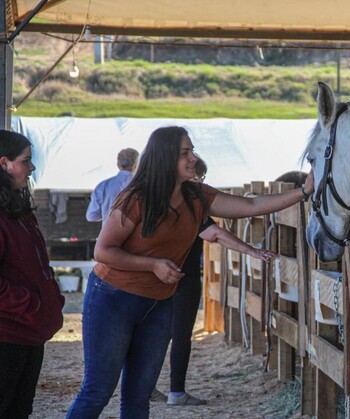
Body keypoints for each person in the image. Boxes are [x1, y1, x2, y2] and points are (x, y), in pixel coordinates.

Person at [66, 126, 313, 419]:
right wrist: (153, 265)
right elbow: (103, 251)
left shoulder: (195, 195)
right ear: (165, 157)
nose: (193, 158)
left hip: (158, 304)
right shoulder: (135, 198)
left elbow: (252, 205)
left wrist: (304, 191)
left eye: (192, 151)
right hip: (113, 299)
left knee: (138, 396)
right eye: (185, 153)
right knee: (97, 391)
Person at [152, 157, 277, 406]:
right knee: (180, 334)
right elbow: (216, 234)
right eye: (199, 178)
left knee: (156, 333)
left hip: (154, 276)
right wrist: (252, 250)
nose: (201, 184)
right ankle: (176, 391)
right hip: (182, 277)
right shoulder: (189, 205)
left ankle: (145, 385)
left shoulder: (158, 199)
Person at [0, 130, 65, 419]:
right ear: (4, 164)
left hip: (28, 332)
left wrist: (50, 298)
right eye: (26, 161)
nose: (32, 168)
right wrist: (30, 302)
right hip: (7, 333)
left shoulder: (18, 208)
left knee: (20, 409)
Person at [85, 147, 139, 222]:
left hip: (109, 232)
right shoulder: (145, 186)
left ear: (118, 164)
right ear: (136, 165)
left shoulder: (102, 186)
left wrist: (107, 214)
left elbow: (91, 216)